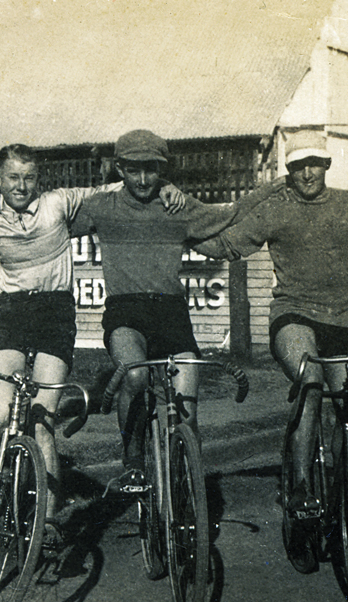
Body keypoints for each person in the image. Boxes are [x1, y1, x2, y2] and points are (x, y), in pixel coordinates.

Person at [0, 144, 185, 523]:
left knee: (42, 420)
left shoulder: (57, 203)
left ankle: (48, 521)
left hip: (55, 314)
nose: (21, 186)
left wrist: (164, 186)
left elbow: (113, 190)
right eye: (13, 177)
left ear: (38, 180)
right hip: (12, 314)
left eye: (29, 177)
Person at [71, 129, 286, 486]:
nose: (143, 180)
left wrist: (271, 190)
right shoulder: (102, 207)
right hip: (125, 312)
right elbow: (52, 225)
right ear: (120, 169)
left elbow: (227, 216)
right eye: (134, 170)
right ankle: (133, 458)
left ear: (163, 169)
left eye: (152, 169)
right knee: (135, 376)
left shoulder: (177, 206)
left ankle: (189, 493)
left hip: (171, 313)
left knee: (187, 412)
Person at [194, 130, 348, 518]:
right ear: (289, 170)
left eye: (314, 164)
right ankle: (299, 485)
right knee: (310, 382)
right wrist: (176, 234)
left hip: (342, 320)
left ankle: (340, 496)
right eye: (299, 166)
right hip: (293, 316)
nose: (307, 173)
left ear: (326, 165)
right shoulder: (276, 208)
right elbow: (226, 245)